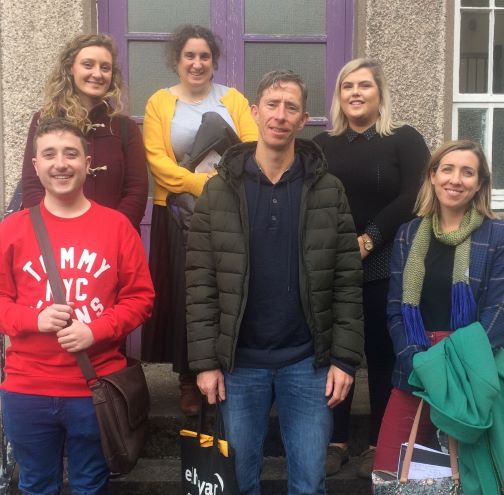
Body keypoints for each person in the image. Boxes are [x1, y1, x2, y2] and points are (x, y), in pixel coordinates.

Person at [185, 70, 364, 495]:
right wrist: (205, 361)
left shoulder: (328, 189)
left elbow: (346, 279)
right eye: (272, 104)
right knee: (240, 484)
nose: (280, 116)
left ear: (304, 120)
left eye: (291, 108)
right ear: (254, 111)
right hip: (240, 362)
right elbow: (201, 281)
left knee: (308, 484)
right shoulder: (219, 191)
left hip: (308, 361)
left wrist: (344, 359)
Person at [0, 118, 154, 494]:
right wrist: (34, 319)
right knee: (36, 485)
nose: (61, 163)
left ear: (88, 163)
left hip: (95, 388)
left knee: (91, 485)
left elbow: (141, 298)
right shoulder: (12, 229)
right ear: (35, 166)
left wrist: (95, 330)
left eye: (71, 154)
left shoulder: (118, 227)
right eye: (49, 154)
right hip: (27, 389)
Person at [313, 58, 430, 478]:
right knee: (335, 352)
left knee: (381, 353)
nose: (356, 92)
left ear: (380, 93)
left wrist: (370, 238)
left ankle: (379, 443)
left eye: (364, 85)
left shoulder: (403, 139)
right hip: (334, 264)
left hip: (386, 259)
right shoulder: (323, 145)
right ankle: (336, 440)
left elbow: (415, 195)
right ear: (339, 96)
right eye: (348, 86)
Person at [142, 24, 258, 415]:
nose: (197, 63)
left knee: (223, 288)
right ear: (177, 61)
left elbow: (251, 151)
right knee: (184, 294)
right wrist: (199, 183)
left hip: (229, 213)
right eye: (189, 56)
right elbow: (157, 162)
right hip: (175, 215)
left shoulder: (233, 99)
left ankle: (228, 369)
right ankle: (188, 380)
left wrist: (218, 188)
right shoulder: (160, 102)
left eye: (204, 56)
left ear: (214, 61)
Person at [374, 140, 504, 481]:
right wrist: (416, 361)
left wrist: (451, 368)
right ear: (433, 176)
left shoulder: (497, 236)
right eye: (447, 169)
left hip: (470, 372)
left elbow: (498, 310)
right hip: (414, 367)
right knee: (389, 473)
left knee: (468, 478)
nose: (455, 179)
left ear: (479, 183)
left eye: (467, 172)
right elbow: (395, 310)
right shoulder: (407, 234)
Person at [22, 34, 148, 232]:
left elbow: (136, 192)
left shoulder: (125, 128)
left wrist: (108, 234)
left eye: (105, 68)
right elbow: (31, 186)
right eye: (88, 65)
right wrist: (55, 233)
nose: (97, 74)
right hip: (53, 242)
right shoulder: (43, 120)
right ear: (71, 69)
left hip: (113, 241)